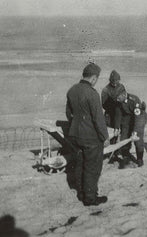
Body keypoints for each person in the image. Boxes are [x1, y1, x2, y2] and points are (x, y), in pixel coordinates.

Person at [65, 63, 109, 206]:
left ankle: (81, 193)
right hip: (90, 137)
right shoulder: (92, 93)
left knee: (80, 163)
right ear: (94, 78)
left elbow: (68, 113)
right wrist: (105, 137)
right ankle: (90, 198)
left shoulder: (72, 90)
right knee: (92, 167)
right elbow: (98, 118)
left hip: (74, 135)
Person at [115, 91, 147, 167]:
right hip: (127, 119)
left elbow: (138, 117)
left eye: (118, 97)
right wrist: (117, 127)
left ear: (123, 95)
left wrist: (135, 131)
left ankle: (140, 159)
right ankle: (126, 157)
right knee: (124, 138)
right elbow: (118, 115)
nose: (117, 99)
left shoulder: (134, 100)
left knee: (138, 139)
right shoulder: (119, 100)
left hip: (139, 118)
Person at [101, 70, 125, 138]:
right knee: (109, 134)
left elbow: (124, 96)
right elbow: (104, 104)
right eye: (113, 81)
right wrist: (113, 103)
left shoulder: (121, 87)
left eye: (116, 81)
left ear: (119, 80)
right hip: (110, 113)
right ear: (110, 80)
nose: (114, 83)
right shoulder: (105, 89)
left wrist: (120, 100)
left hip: (120, 113)